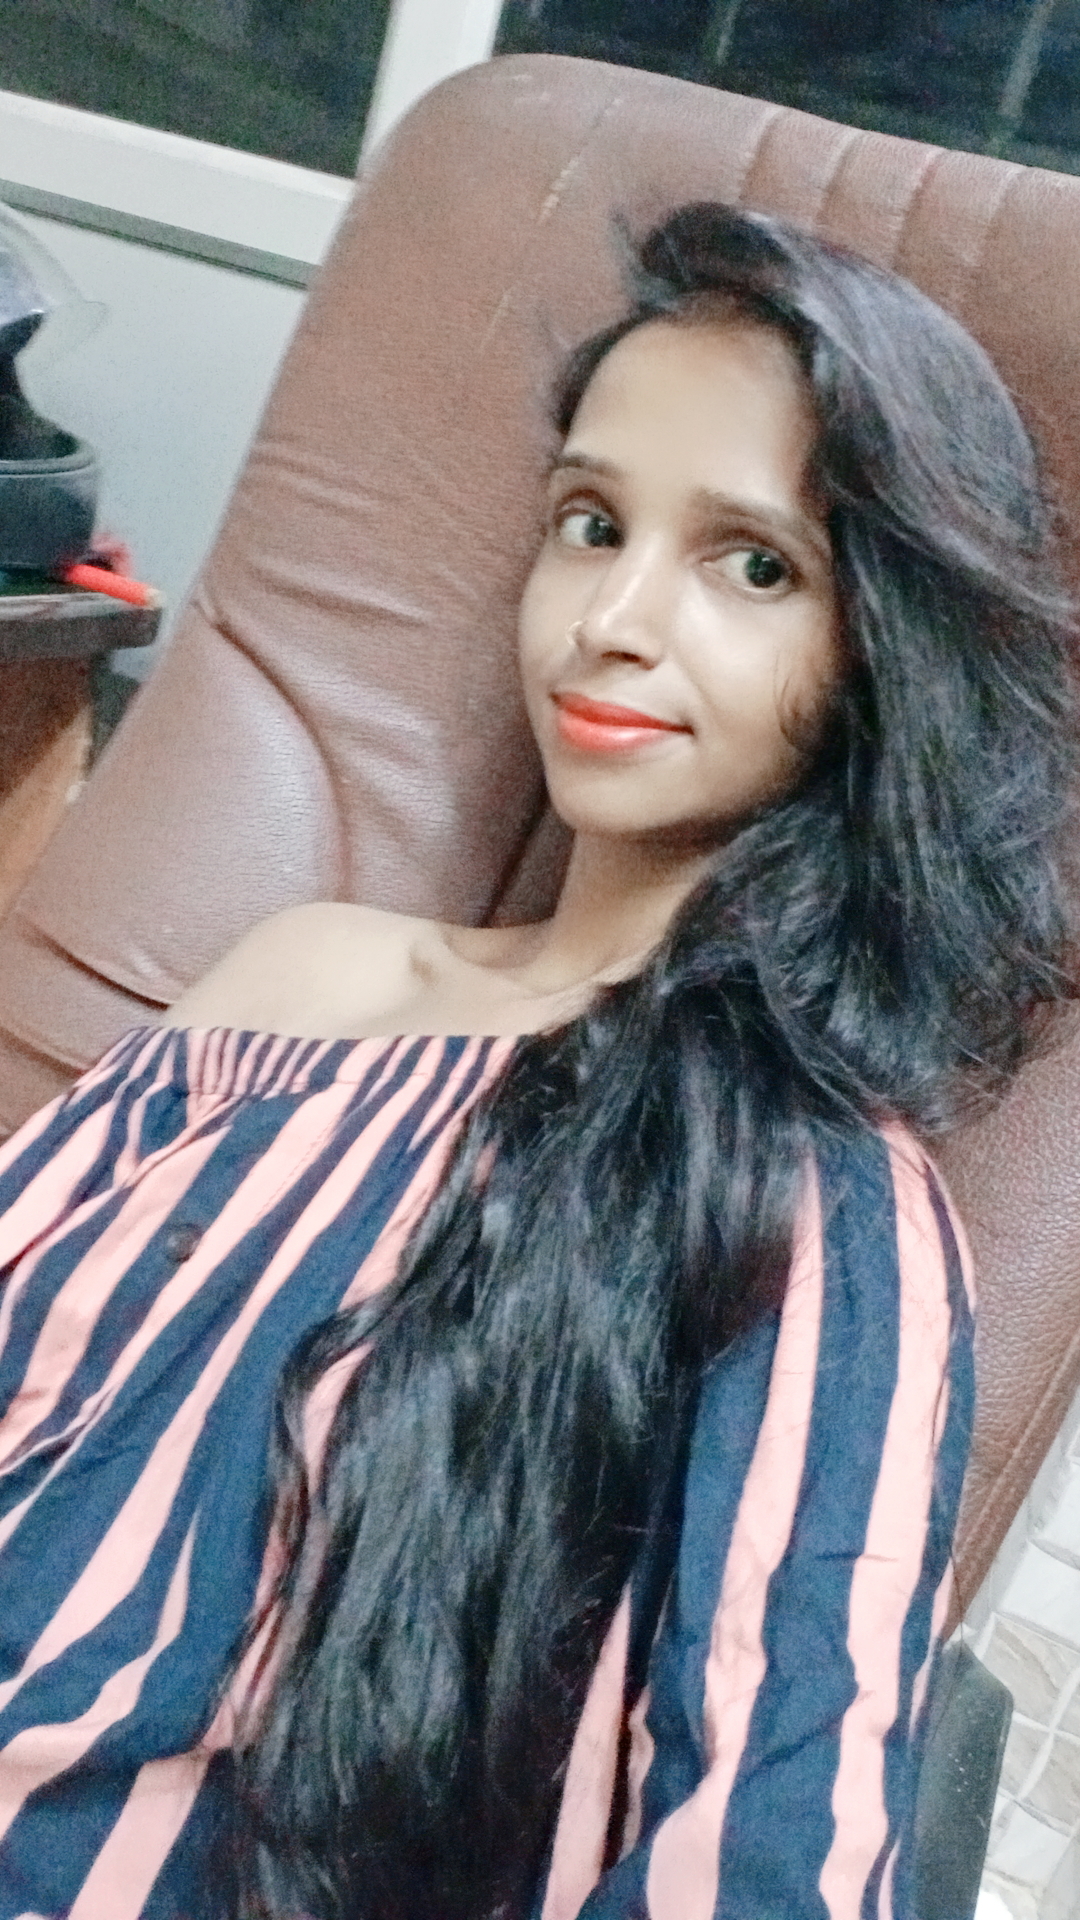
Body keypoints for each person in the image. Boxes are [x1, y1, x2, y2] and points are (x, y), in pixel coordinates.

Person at [0, 203, 1074, 1920]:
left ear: (882, 653)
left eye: (753, 564)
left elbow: (771, 1846)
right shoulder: (303, 970)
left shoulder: (808, 1196)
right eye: (591, 524)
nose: (614, 618)